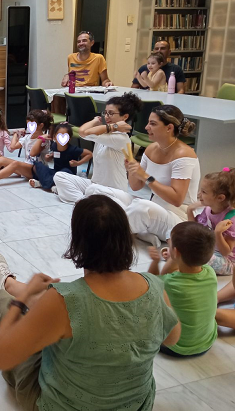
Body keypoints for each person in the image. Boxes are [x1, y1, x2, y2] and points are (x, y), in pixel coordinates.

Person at [0, 194, 181, 410]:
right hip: (136, 405)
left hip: (60, 404)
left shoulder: (66, 300)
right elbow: (172, 338)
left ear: (79, 243)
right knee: (52, 314)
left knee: (5, 306)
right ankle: (8, 282)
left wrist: (23, 299)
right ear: (126, 238)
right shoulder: (154, 287)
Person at [94, 105, 200, 245]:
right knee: (98, 190)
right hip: (155, 209)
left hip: (179, 217)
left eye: (152, 124)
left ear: (169, 128)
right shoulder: (151, 149)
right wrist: (132, 169)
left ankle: (106, 238)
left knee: (141, 207)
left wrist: (145, 176)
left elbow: (177, 199)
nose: (146, 127)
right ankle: (143, 232)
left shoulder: (184, 155)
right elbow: (135, 186)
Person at [53, 92, 142, 203]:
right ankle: (83, 202)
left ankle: (84, 201)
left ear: (125, 117)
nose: (107, 117)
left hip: (114, 192)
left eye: (111, 113)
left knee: (91, 190)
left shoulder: (121, 138)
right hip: (95, 185)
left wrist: (114, 126)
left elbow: (84, 132)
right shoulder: (105, 132)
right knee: (59, 176)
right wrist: (95, 120)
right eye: (105, 113)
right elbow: (83, 131)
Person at [148, 221, 217, 358]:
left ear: (175, 251)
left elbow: (152, 282)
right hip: (206, 343)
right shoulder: (211, 273)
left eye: (170, 243)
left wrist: (155, 262)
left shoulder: (170, 283)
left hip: (176, 347)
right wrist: (176, 256)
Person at [186, 168, 235, 275]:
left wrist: (218, 233)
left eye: (204, 192)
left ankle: (180, 259)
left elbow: (226, 252)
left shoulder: (231, 219)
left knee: (196, 255)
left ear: (220, 198)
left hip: (228, 261)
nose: (199, 194)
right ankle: (180, 257)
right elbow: (194, 232)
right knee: (178, 233)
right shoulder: (208, 209)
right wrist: (189, 211)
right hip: (210, 249)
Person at [29, 122, 92, 192]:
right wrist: (49, 157)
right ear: (55, 137)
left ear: (69, 138)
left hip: (67, 174)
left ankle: (42, 183)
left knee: (64, 171)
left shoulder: (73, 149)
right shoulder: (54, 146)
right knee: (37, 165)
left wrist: (78, 163)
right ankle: (51, 185)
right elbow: (54, 156)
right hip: (55, 172)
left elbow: (89, 154)